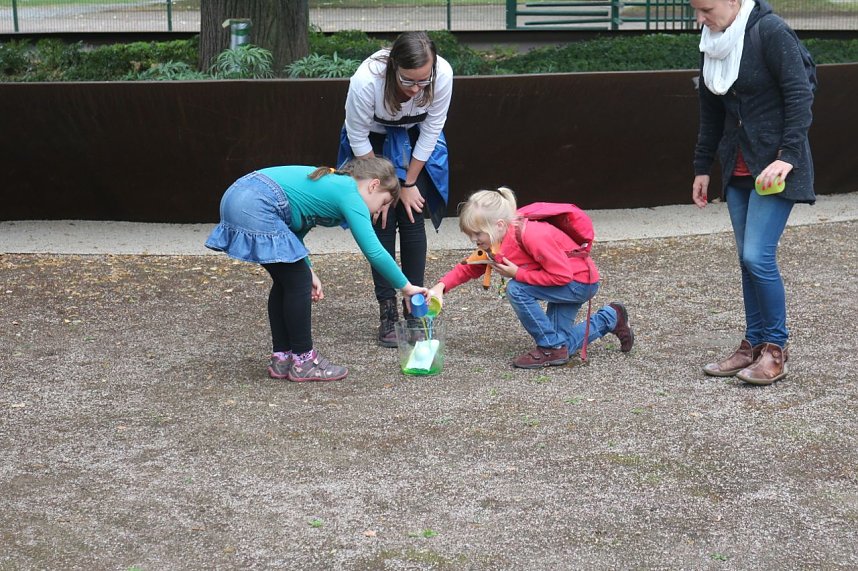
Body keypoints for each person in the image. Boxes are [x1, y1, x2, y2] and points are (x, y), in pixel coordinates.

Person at [205, 157, 428, 383]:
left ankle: (283, 358)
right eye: (383, 203)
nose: (379, 210)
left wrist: (308, 268)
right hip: (256, 202)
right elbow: (375, 252)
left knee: (289, 281)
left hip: (239, 195)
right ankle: (304, 361)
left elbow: (295, 231)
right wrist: (406, 287)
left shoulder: (332, 185)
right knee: (297, 283)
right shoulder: (349, 192)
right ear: (373, 185)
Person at [690, 0, 815, 385]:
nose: (700, 19)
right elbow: (710, 110)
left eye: (706, 9)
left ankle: (776, 349)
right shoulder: (712, 43)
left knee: (756, 256)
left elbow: (800, 95)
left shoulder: (771, 32)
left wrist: (789, 156)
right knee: (746, 262)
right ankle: (753, 345)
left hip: (776, 166)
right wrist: (702, 167)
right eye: (695, 10)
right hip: (738, 165)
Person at [427, 187, 634, 369]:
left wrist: (517, 273)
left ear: (499, 225)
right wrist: (440, 287)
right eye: (469, 235)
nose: (473, 240)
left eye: (477, 234)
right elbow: (470, 267)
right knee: (561, 345)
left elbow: (562, 276)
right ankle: (610, 317)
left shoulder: (532, 235)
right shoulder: (496, 242)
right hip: (563, 284)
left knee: (517, 288)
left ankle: (549, 346)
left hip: (579, 284)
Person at [337, 31, 453, 348]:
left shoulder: (442, 73)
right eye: (408, 82)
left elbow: (432, 128)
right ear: (392, 69)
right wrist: (386, 187)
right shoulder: (365, 81)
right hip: (370, 146)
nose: (417, 89)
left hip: (415, 141)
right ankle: (387, 309)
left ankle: (413, 307)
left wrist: (409, 182)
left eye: (424, 82)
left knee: (413, 215)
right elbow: (357, 135)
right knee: (380, 219)